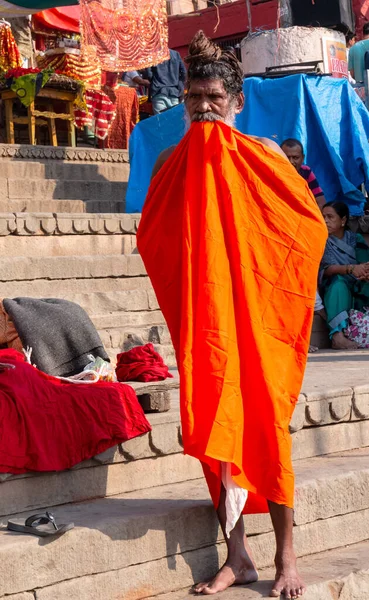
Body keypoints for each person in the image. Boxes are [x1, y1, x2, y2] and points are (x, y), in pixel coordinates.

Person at [137, 31, 326, 600]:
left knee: (268, 430)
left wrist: (268, 283)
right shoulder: (173, 160)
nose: (203, 107)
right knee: (215, 435)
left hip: (260, 323)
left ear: (237, 102)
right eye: (194, 98)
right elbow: (155, 234)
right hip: (208, 324)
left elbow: (307, 228)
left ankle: (285, 555)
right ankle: (236, 556)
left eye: (214, 98)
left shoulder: (266, 155)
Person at [320, 201, 369, 350]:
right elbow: (325, 269)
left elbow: (364, 261)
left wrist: (364, 272)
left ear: (343, 220)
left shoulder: (355, 239)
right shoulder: (321, 240)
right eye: (323, 217)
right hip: (333, 283)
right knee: (338, 285)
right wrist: (349, 269)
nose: (325, 220)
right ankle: (337, 336)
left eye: (330, 217)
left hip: (357, 280)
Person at [280, 139, 326, 209]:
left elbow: (321, 201)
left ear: (303, 158)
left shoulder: (306, 172)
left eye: (295, 158)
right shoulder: (273, 172)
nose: (291, 162)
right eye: (286, 157)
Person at [143, 49, 186, 115]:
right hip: (174, 93)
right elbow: (184, 73)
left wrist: (155, 81)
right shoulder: (176, 54)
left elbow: (149, 75)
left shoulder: (152, 54)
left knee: (161, 122)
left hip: (159, 91)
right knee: (174, 121)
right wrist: (179, 86)